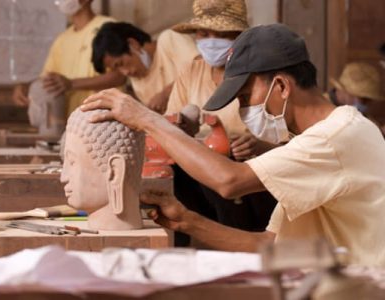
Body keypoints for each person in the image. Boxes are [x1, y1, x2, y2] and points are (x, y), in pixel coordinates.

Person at [81, 24, 385, 267]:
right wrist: (187, 220)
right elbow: (267, 243)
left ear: (280, 85)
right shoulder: (315, 142)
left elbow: (229, 181)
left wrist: (146, 118)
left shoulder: (335, 137)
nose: (242, 111)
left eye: (243, 99)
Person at [165, 0, 277, 245]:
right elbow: (170, 127)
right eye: (204, 34)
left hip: (252, 182)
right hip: (200, 175)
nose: (211, 41)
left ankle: (238, 250)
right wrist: (182, 128)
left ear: (240, 37)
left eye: (222, 34)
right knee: (174, 172)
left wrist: (259, 145)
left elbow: (292, 141)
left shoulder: (260, 76)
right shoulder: (191, 72)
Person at [13, 0, 126, 116]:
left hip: (103, 121)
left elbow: (121, 76)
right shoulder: (62, 40)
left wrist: (71, 84)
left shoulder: (108, 28)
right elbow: (48, 79)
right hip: (73, 124)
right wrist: (27, 87)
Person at [91, 22, 199, 113]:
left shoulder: (169, 39)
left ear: (133, 44)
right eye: (117, 70)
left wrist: (165, 94)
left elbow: (200, 67)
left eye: (120, 64)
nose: (125, 73)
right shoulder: (137, 81)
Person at [328, 62, 385, 134]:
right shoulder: (321, 108)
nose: (365, 104)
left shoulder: (362, 115)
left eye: (369, 100)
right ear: (346, 91)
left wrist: (381, 132)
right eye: (364, 99)